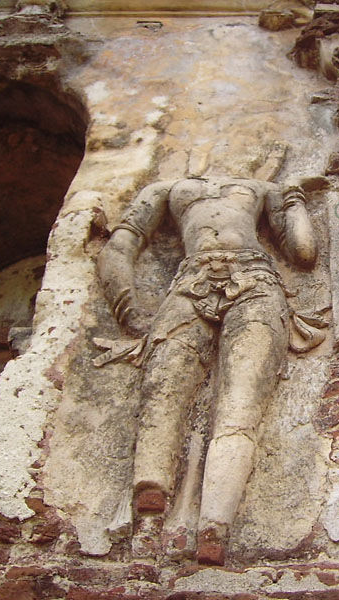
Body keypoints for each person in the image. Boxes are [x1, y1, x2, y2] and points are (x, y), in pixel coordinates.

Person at [96, 147, 320, 565]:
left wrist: (293, 197)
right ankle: (146, 524)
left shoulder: (263, 188)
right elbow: (119, 247)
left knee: (240, 404)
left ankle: (215, 526)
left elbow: (304, 253)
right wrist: (130, 314)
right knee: (162, 397)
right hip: (189, 282)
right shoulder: (166, 189)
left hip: (255, 280)